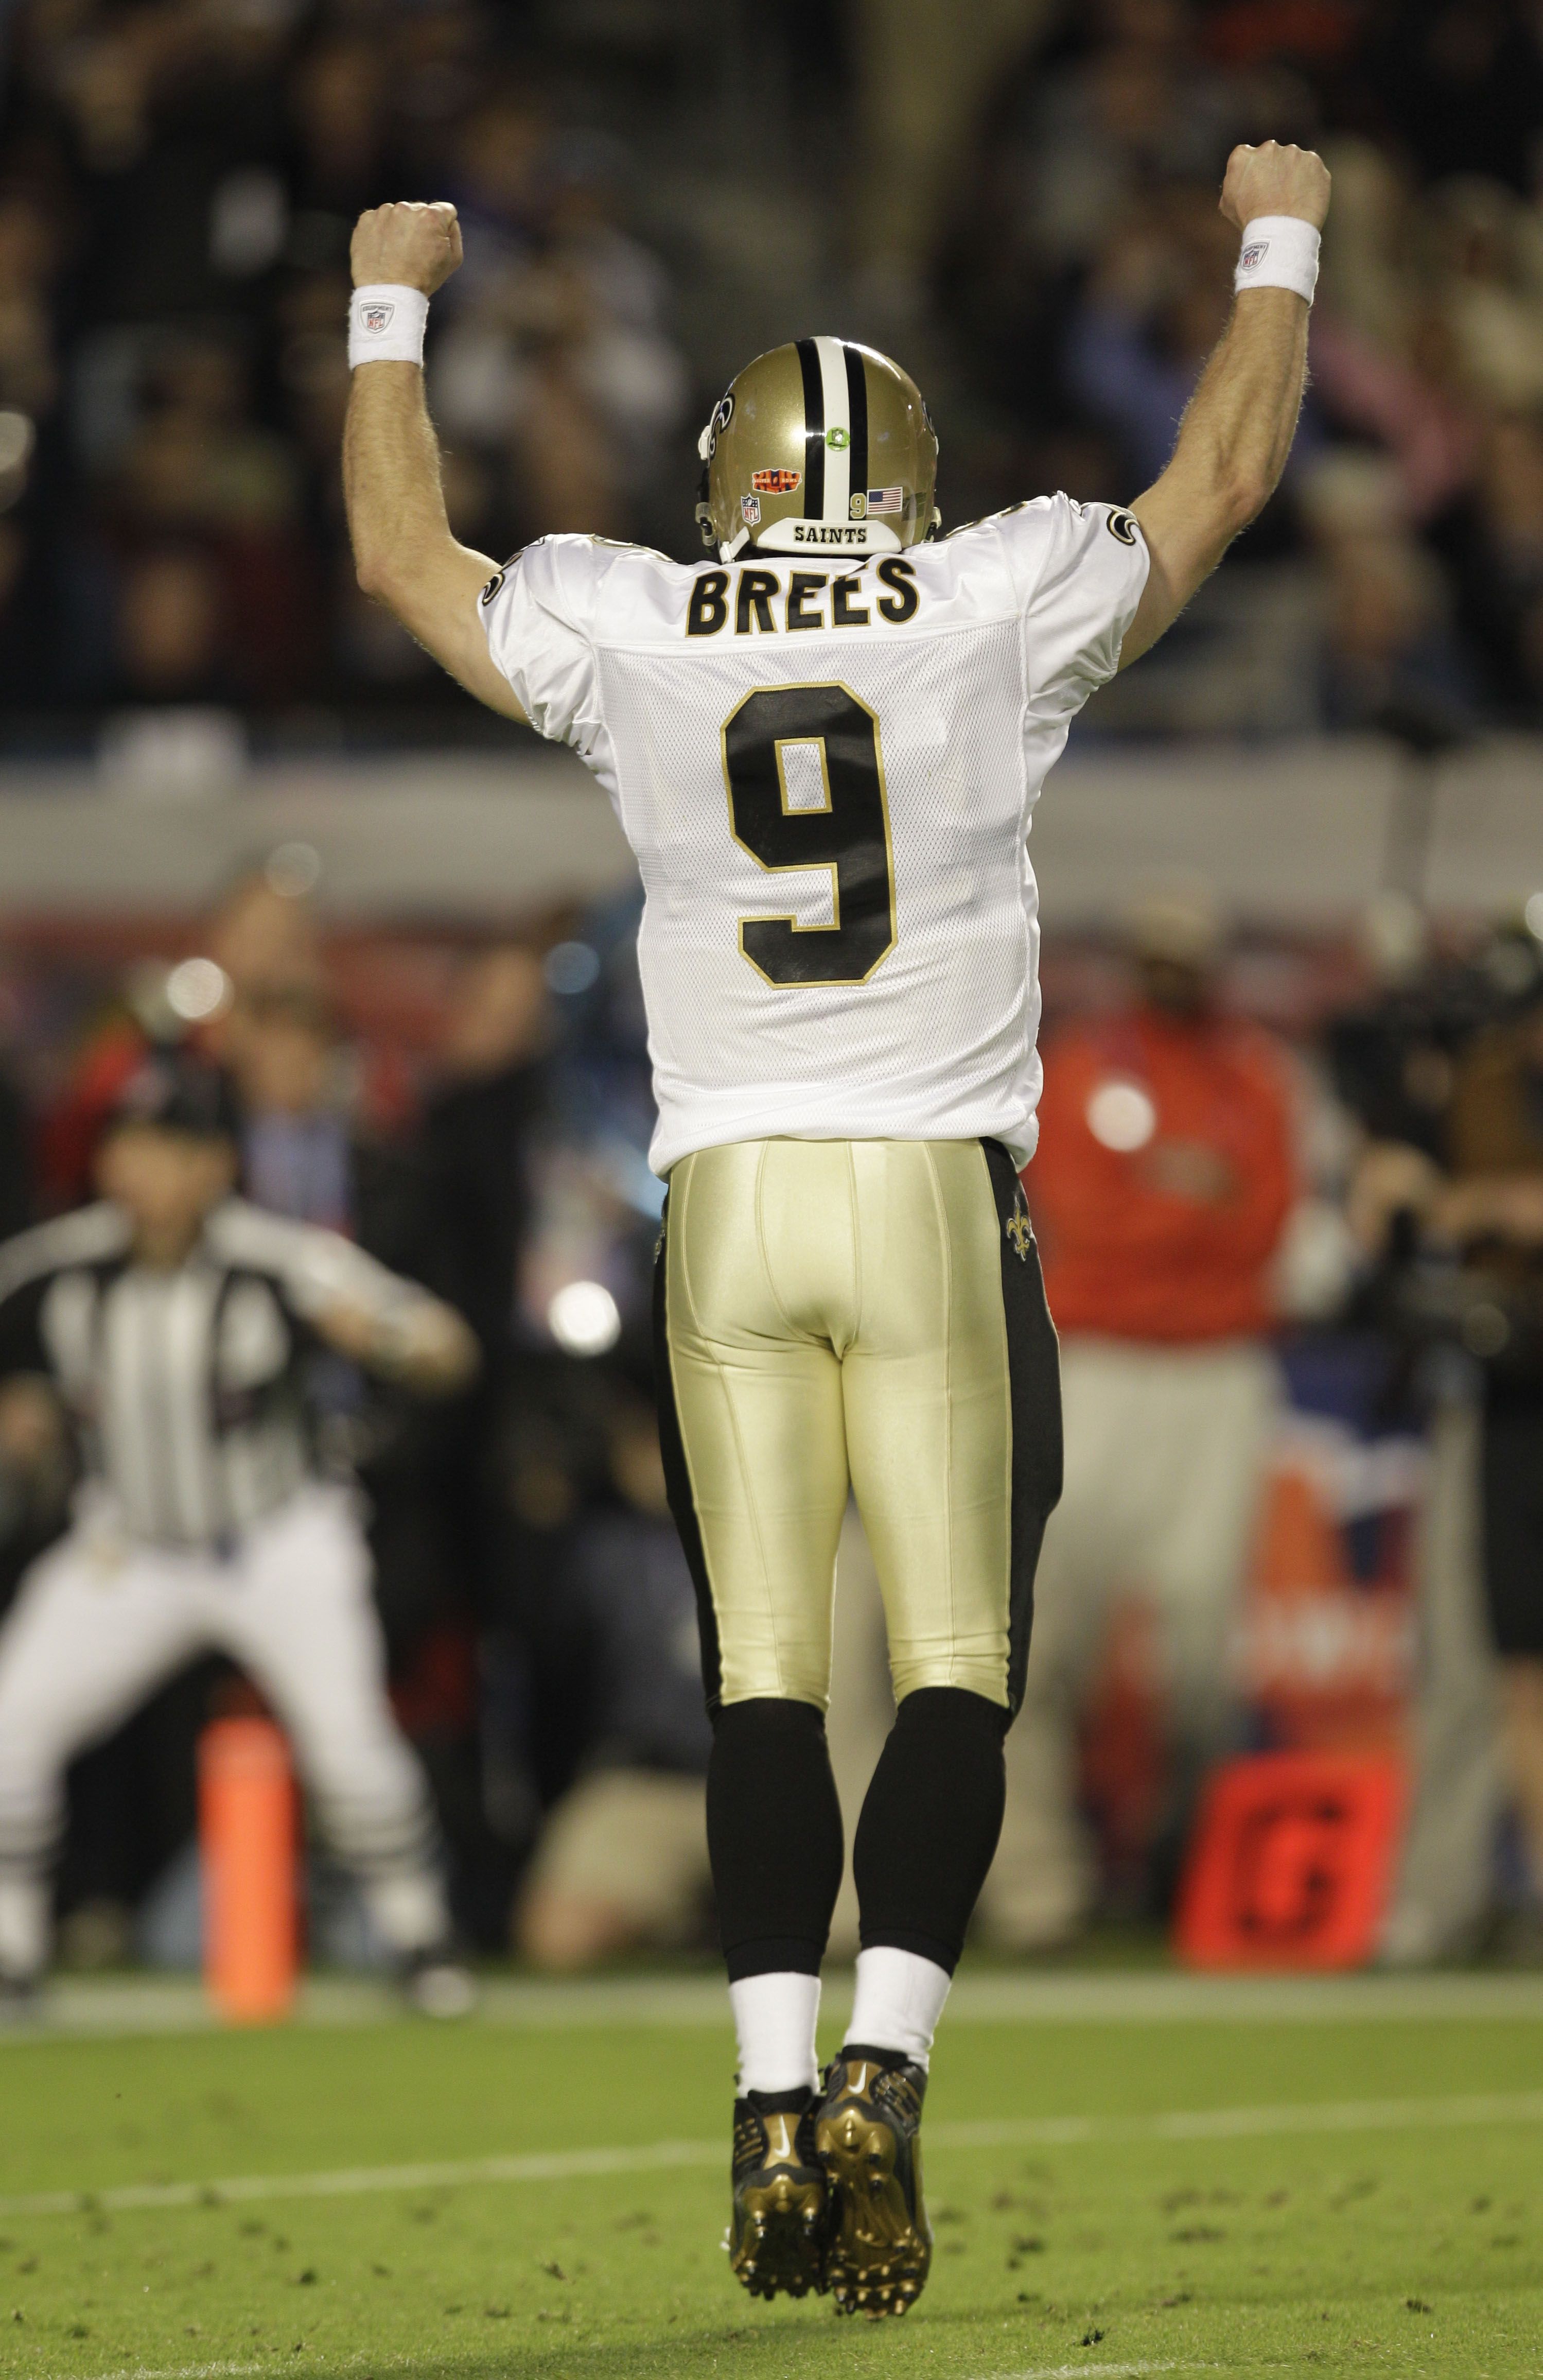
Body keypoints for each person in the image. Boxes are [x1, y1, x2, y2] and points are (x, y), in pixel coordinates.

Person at [339, 139, 1331, 2315]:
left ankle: (765, 2098)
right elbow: (1227, 475)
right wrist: (1276, 239)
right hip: (921, 1188)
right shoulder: (989, 594)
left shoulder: (634, 615)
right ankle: (881, 2072)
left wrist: (387, 301)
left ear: (728, 483)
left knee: (762, 1683)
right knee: (952, 1669)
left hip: (720, 1205)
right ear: (904, 479)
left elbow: (403, 556)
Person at [0, 1053, 480, 2015]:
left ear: (217, 1165)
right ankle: (11, 1949)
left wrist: (386, 1339)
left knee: (347, 1743)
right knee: (14, 1727)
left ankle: (419, 1935)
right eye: (130, 1147)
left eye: (171, 1149)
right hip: (130, 1547)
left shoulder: (280, 1260)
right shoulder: (58, 1266)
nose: (144, 1172)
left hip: (274, 1541)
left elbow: (447, 1347)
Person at [979, 884, 1297, 1948]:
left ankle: (1180, 1859)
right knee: (1048, 1623)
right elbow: (1076, 1211)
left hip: (1214, 1370)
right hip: (1098, 1362)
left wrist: (1166, 1204)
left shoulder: (1252, 1073)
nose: (1172, 972)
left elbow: (1263, 1223)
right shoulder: (1081, 1065)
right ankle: (1041, 1877)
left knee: (1202, 1637)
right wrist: (1188, 1201)